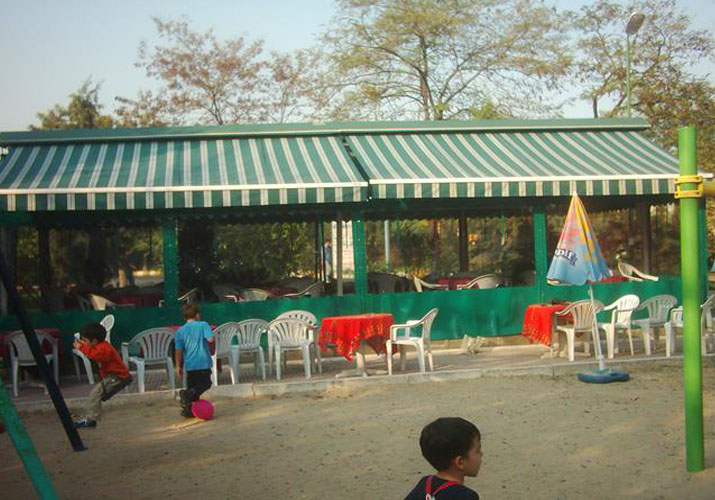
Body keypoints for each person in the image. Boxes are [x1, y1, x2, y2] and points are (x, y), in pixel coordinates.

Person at [404, 417, 482, 500]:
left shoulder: (425, 483)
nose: (481, 454)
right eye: (477, 450)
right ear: (460, 462)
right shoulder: (466, 496)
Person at [72, 322, 133, 428]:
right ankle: (92, 415)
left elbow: (96, 356)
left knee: (95, 395)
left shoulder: (103, 348)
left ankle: (91, 420)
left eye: (85, 341)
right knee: (99, 396)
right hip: (114, 377)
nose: (84, 343)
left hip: (117, 377)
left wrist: (81, 348)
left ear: (94, 341)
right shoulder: (100, 346)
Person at [175, 303, 214, 418]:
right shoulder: (203, 325)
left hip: (190, 365)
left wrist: (178, 366)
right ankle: (187, 394)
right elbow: (210, 340)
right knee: (206, 383)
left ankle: (189, 410)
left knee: (193, 388)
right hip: (203, 362)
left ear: (184, 317)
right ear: (197, 315)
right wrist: (213, 343)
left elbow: (178, 350)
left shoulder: (180, 331)